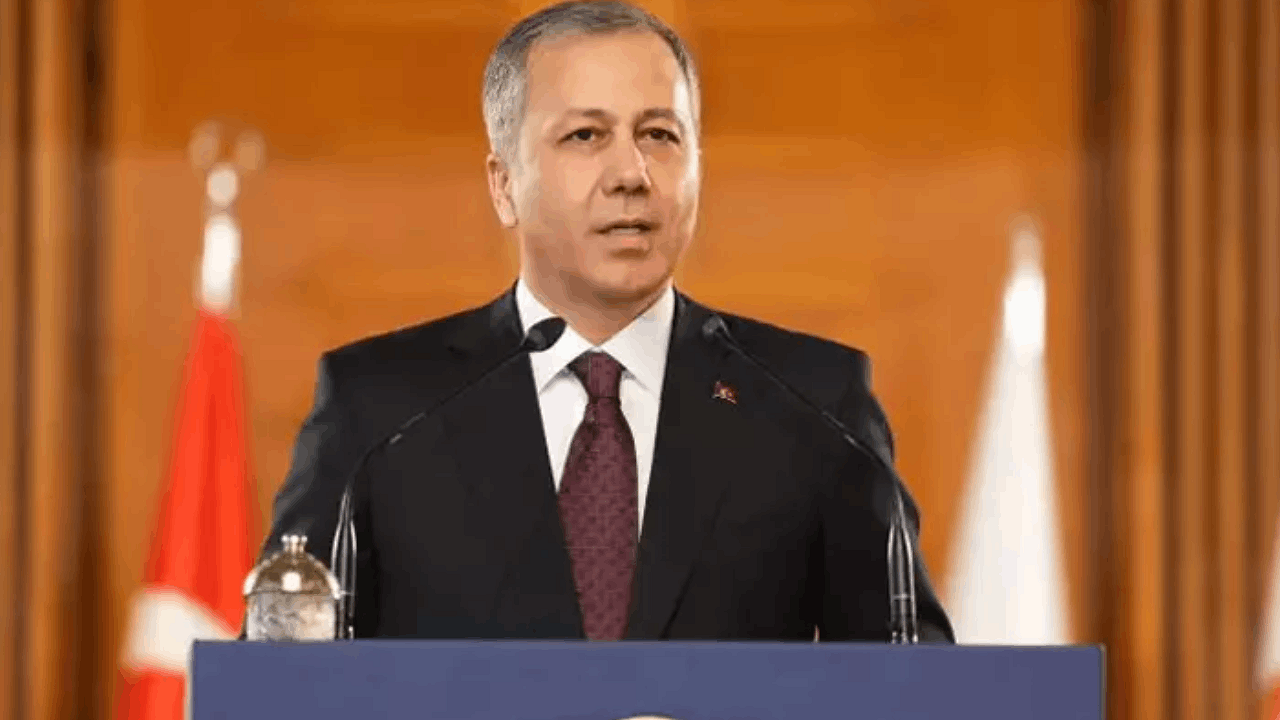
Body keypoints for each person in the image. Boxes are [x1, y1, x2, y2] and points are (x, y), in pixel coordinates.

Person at [254, 0, 954, 643]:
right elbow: (282, 683)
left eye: (659, 134)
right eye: (585, 135)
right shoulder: (381, 412)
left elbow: (910, 688)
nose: (631, 172)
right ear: (504, 184)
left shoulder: (814, 405)